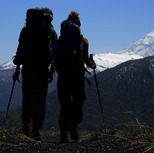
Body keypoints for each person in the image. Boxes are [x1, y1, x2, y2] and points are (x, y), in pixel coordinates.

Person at [12, 7, 57, 140]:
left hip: (27, 68)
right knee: (39, 100)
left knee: (27, 98)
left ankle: (25, 125)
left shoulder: (26, 29)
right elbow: (54, 53)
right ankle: (36, 130)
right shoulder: (50, 30)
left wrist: (17, 70)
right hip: (42, 69)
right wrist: (51, 71)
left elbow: (20, 49)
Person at [55, 11, 96, 143]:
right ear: (78, 26)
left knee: (64, 102)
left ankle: (63, 132)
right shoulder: (83, 41)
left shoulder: (59, 41)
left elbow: (54, 57)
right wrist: (92, 65)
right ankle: (73, 123)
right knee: (79, 99)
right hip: (77, 75)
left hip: (63, 74)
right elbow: (86, 60)